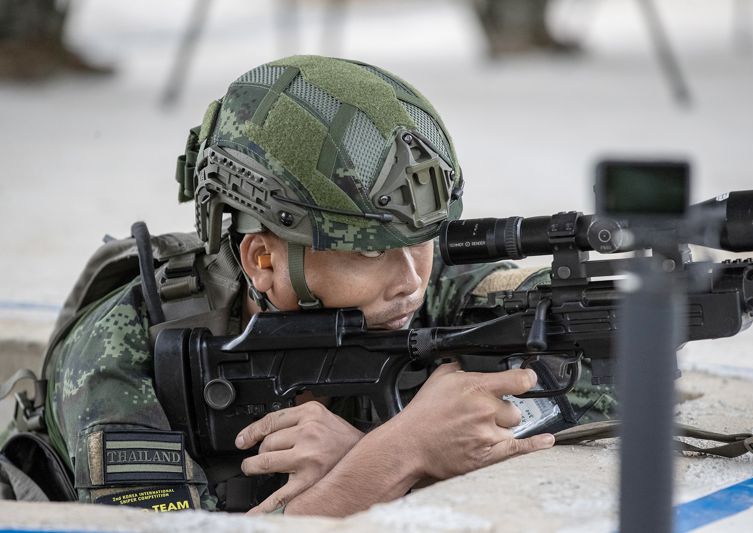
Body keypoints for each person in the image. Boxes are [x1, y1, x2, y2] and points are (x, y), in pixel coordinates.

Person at [24, 55, 582, 515]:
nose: (411, 281)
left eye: (423, 241)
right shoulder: (121, 354)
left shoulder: (415, 291)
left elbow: (587, 366)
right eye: (368, 253)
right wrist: (396, 455)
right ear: (263, 260)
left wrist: (361, 452)